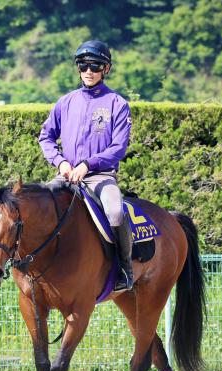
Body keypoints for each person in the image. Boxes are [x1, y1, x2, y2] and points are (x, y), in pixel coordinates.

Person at [38, 40, 133, 291]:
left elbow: (118, 148)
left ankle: (124, 268)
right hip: (66, 175)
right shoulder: (65, 102)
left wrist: (87, 165)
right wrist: (60, 163)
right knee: (41, 207)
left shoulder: (117, 104)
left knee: (115, 212)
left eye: (95, 65)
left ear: (106, 69)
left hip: (100, 177)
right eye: (83, 65)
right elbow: (45, 136)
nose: (88, 71)